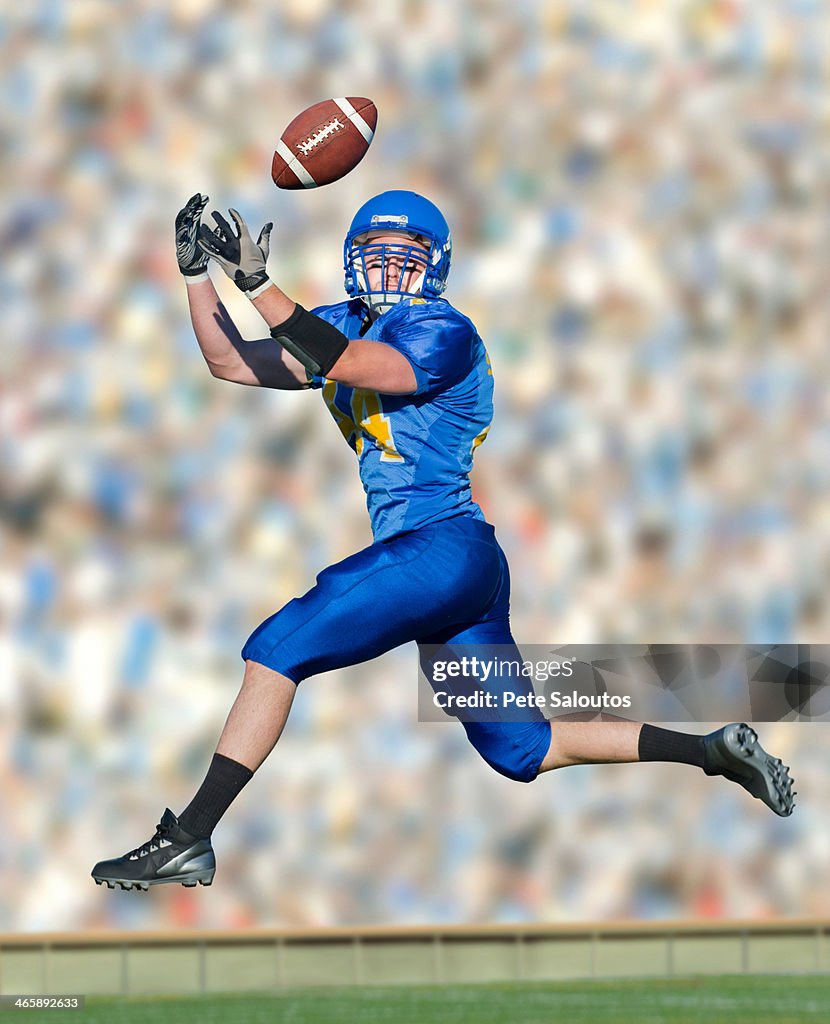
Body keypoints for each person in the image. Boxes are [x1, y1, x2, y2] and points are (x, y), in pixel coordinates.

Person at [91, 191, 795, 891]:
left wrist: (257, 284)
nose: (390, 272)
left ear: (435, 266)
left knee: (275, 650)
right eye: (377, 257)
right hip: (461, 570)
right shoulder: (337, 324)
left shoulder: (442, 330)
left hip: (440, 547)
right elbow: (232, 361)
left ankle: (189, 837)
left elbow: (357, 367)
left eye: (406, 258)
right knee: (524, 748)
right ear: (351, 261)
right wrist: (196, 274)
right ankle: (709, 749)